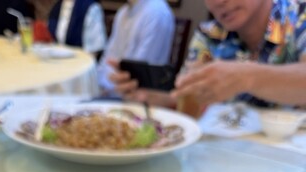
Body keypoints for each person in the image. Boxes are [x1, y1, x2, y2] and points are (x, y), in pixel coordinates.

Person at [110, 0, 306, 110]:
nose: (218, 2)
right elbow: (191, 102)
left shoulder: (300, 16)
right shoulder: (209, 35)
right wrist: (153, 97)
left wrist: (246, 77)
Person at [96, 0, 175, 94]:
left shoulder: (156, 12)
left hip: (139, 95)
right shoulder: (123, 11)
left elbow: (136, 74)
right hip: (112, 90)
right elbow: (107, 60)